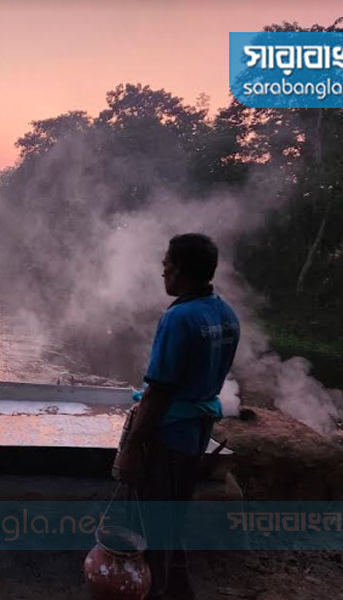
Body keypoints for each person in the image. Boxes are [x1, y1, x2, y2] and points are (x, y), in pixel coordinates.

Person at [113, 233, 240, 600]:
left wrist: (133, 447)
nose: (162, 270)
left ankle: (156, 590)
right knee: (174, 517)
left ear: (180, 268)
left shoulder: (180, 318)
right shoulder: (225, 314)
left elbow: (158, 392)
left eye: (166, 264)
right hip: (197, 434)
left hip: (168, 436)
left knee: (152, 526)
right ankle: (181, 590)